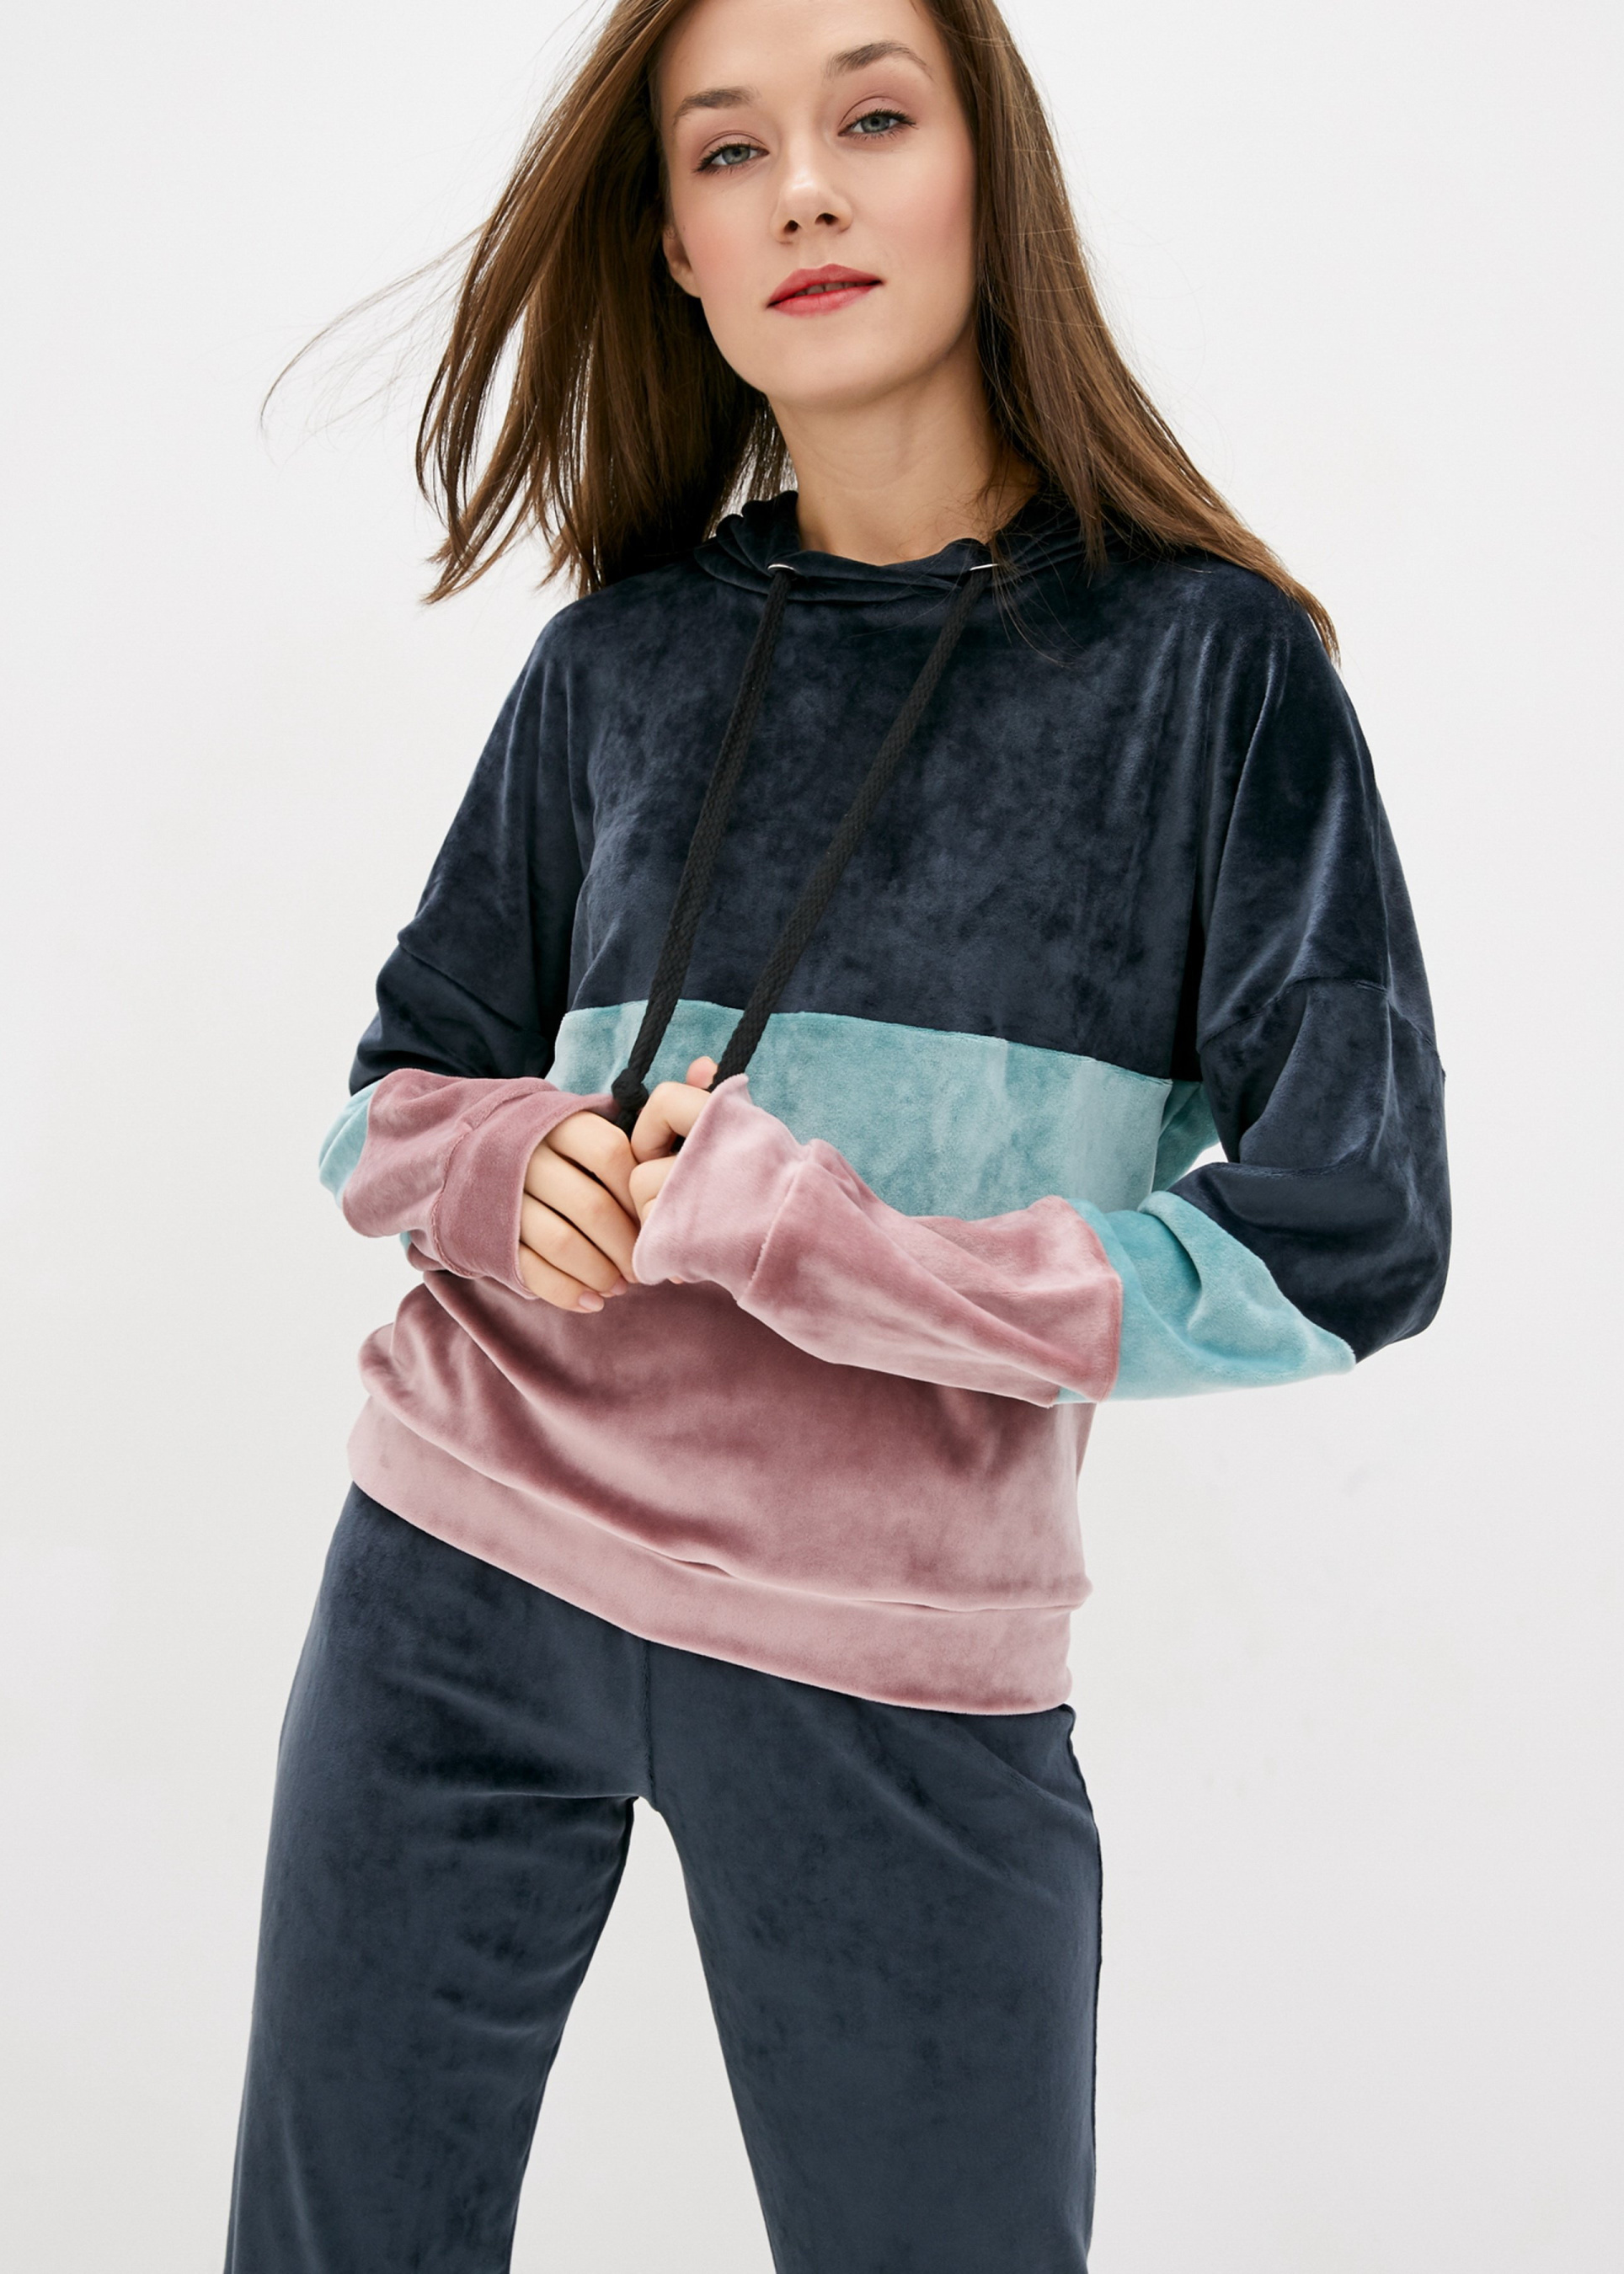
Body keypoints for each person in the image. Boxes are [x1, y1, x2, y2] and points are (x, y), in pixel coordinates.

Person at [225, 0, 1450, 2266]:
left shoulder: (1207, 676)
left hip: (893, 1650)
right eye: (727, 151)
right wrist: (516, 1173)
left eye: (871, 116)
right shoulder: (616, 665)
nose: (801, 189)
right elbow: (389, 1104)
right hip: (454, 1581)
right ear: (674, 246)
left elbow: (1350, 1239)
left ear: (989, 171)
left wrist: (827, 1242)